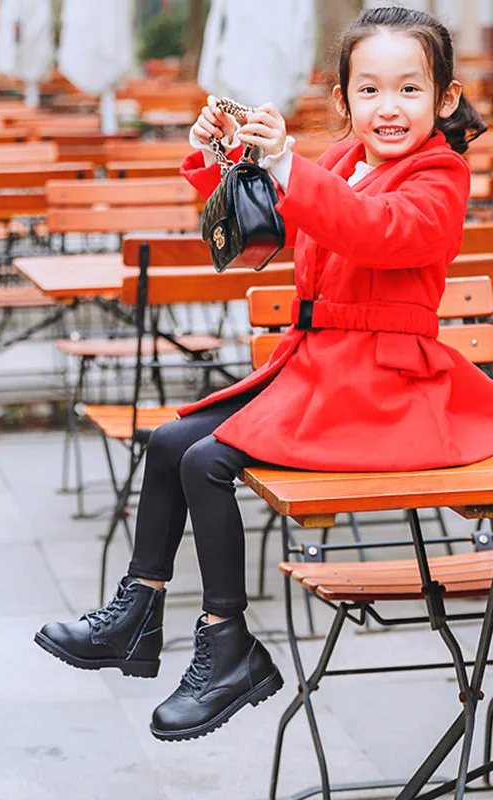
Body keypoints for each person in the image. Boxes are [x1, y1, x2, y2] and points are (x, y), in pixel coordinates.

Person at [34, 6, 493, 743]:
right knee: (169, 442)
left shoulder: (440, 174)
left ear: (443, 99)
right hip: (320, 371)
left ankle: (227, 645)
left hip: (385, 388)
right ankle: (138, 612)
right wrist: (226, 158)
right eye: (369, 90)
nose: (389, 107)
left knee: (210, 462)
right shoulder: (342, 163)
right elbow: (262, 236)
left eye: (409, 90)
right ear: (342, 100)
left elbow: (376, 234)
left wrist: (287, 164)